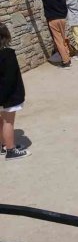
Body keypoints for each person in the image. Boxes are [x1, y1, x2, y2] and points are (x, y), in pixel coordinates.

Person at [21, 0, 71, 68]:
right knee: (63, 38)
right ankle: (67, 55)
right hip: (62, 19)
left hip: (53, 20)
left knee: (58, 41)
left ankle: (66, 61)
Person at [0, 23, 30, 160]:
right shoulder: (8, 54)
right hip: (8, 96)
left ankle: (3, 145)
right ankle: (10, 150)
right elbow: (10, 78)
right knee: (8, 122)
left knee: (1, 121)